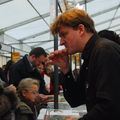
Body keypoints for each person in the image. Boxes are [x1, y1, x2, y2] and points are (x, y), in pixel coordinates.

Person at [48, 8, 120, 120]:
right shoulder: (90, 55)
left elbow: (109, 107)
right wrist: (65, 69)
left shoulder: (105, 51)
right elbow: (76, 99)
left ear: (81, 29)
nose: (61, 42)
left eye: (63, 35)